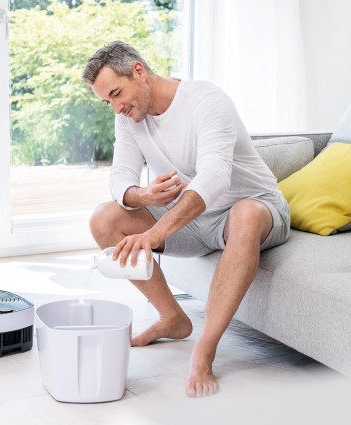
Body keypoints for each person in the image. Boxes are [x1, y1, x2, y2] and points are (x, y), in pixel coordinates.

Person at [81, 41, 290, 398]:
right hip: (194, 223)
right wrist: (142, 195)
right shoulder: (128, 117)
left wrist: (156, 233)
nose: (116, 108)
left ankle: (204, 351)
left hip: (252, 209)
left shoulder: (206, 101)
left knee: (246, 214)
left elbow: (215, 177)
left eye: (116, 94)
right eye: (107, 102)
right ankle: (172, 319)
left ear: (139, 72)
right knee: (104, 219)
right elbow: (121, 176)